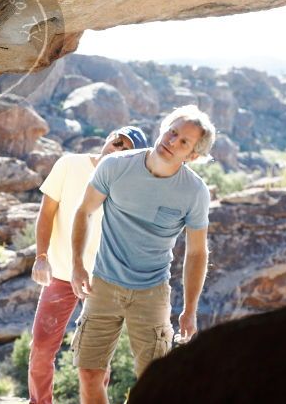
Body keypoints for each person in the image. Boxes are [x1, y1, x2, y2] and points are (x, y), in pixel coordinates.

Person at [70, 105, 215, 404]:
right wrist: (77, 265)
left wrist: (190, 309)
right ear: (163, 127)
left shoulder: (194, 192)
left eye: (183, 142)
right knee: (89, 373)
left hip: (152, 292)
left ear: (193, 156)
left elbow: (197, 252)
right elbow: (84, 211)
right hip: (103, 285)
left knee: (155, 381)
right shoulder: (115, 166)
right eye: (172, 132)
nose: (172, 141)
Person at [28, 126, 149, 404]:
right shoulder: (69, 164)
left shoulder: (129, 188)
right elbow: (46, 213)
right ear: (108, 138)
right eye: (117, 141)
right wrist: (41, 257)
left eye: (127, 149)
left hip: (102, 281)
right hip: (60, 273)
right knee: (42, 348)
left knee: (97, 358)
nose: (118, 149)